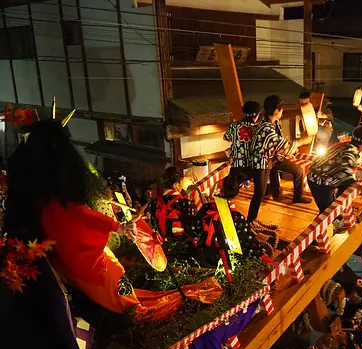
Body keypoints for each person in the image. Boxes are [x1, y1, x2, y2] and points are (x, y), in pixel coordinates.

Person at [4, 120, 220, 321]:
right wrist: (119, 227)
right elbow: (83, 215)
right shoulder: (61, 203)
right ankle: (134, 309)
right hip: (88, 264)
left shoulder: (38, 202)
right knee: (125, 296)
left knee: (114, 283)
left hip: (66, 263)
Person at [252, 95, 312, 204]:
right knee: (258, 195)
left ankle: (284, 194)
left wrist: (285, 151)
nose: (282, 112)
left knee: (295, 170)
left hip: (272, 158)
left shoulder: (274, 123)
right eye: (281, 109)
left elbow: (278, 143)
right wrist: (303, 141)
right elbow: (279, 143)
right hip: (264, 161)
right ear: (276, 111)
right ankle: (276, 194)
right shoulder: (266, 127)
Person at [307, 126, 362, 213]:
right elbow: (344, 175)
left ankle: (339, 205)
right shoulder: (351, 153)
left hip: (317, 174)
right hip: (318, 181)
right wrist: (360, 187)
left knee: (345, 186)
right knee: (327, 212)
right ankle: (334, 215)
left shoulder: (344, 145)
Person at [222, 101, 265, 222]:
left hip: (237, 165)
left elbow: (226, 137)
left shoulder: (235, 126)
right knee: (258, 194)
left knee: (229, 192)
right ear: (256, 115)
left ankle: (224, 216)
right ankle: (251, 221)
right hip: (253, 166)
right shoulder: (258, 128)